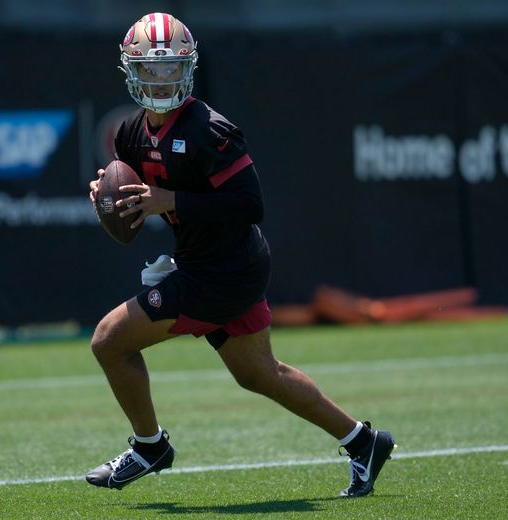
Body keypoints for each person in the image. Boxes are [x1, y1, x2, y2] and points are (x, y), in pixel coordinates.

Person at [86, 13, 394, 497]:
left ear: (188, 70)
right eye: (151, 69)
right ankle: (364, 442)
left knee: (109, 340)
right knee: (259, 374)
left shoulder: (211, 129)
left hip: (223, 271)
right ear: (131, 71)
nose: (162, 79)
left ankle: (150, 447)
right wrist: (106, 197)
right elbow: (131, 203)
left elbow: (251, 205)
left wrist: (173, 202)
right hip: (213, 264)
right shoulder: (130, 135)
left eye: (171, 69)